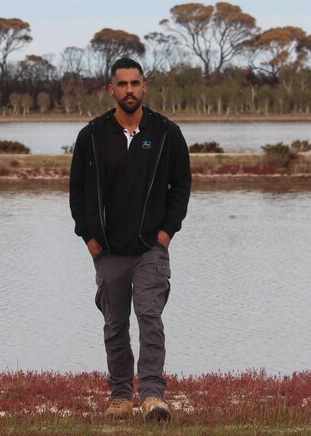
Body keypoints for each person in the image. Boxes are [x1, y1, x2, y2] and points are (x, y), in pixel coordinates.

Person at [69, 57, 191, 422]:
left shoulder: (167, 133)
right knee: (114, 324)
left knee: (150, 317)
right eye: (122, 85)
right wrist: (89, 238)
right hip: (107, 250)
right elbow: (76, 192)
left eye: (135, 83)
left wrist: (166, 234)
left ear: (145, 86)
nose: (129, 90)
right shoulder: (91, 136)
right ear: (111, 90)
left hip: (151, 248)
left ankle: (152, 395)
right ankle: (121, 394)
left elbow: (181, 186)